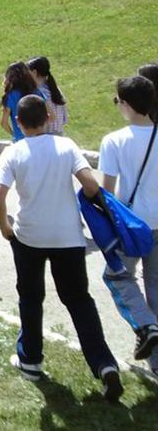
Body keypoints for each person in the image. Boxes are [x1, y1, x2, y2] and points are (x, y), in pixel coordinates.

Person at [0, 95, 122, 401]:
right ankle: (104, 365)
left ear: (18, 123)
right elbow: (91, 186)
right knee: (79, 301)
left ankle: (31, 360)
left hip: (29, 236)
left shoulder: (14, 151)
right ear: (48, 117)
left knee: (31, 297)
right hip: (68, 237)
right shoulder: (67, 146)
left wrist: (6, 229)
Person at [98, 75, 158, 372]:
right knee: (156, 287)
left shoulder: (115, 141)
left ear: (127, 104)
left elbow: (106, 191)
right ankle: (157, 363)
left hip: (131, 225)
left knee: (116, 277)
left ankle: (146, 325)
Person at [28, 56, 69, 136]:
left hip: (45, 135)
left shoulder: (38, 93)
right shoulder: (55, 89)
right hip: (59, 134)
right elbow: (65, 119)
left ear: (34, 72)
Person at [0, 62, 40, 141]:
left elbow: (3, 123)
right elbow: (51, 116)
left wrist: (14, 134)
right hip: (38, 137)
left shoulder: (10, 96)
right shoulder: (37, 92)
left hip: (21, 139)